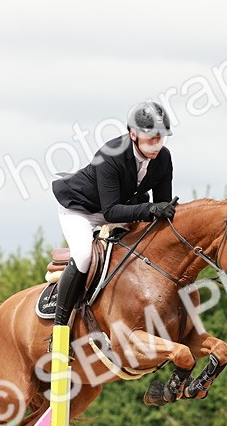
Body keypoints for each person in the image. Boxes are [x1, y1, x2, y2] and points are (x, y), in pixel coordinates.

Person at [50, 100, 177, 326]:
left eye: (161, 138)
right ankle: (60, 327)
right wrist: (150, 209)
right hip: (82, 210)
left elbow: (161, 207)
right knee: (83, 256)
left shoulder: (163, 159)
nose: (157, 144)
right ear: (133, 134)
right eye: (152, 138)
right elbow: (111, 212)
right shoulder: (110, 154)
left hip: (124, 209)